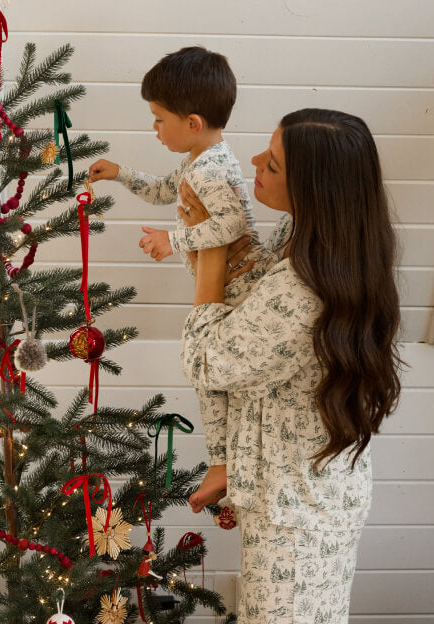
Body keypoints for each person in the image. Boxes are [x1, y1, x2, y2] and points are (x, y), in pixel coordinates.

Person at [179, 108, 402, 622]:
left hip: (295, 517)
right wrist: (226, 239)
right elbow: (254, 309)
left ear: (315, 191)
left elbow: (209, 360)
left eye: (274, 165)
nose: (255, 160)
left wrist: (211, 259)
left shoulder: (304, 287)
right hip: (303, 496)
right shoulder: (315, 244)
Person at [88, 46, 280, 510]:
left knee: (210, 374)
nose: (153, 128)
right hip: (230, 285)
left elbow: (231, 226)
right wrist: (120, 174)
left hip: (239, 286)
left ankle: (223, 465)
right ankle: (226, 465)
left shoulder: (211, 170)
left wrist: (173, 240)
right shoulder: (201, 158)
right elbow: (160, 189)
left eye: (158, 120)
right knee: (213, 378)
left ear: (191, 123)